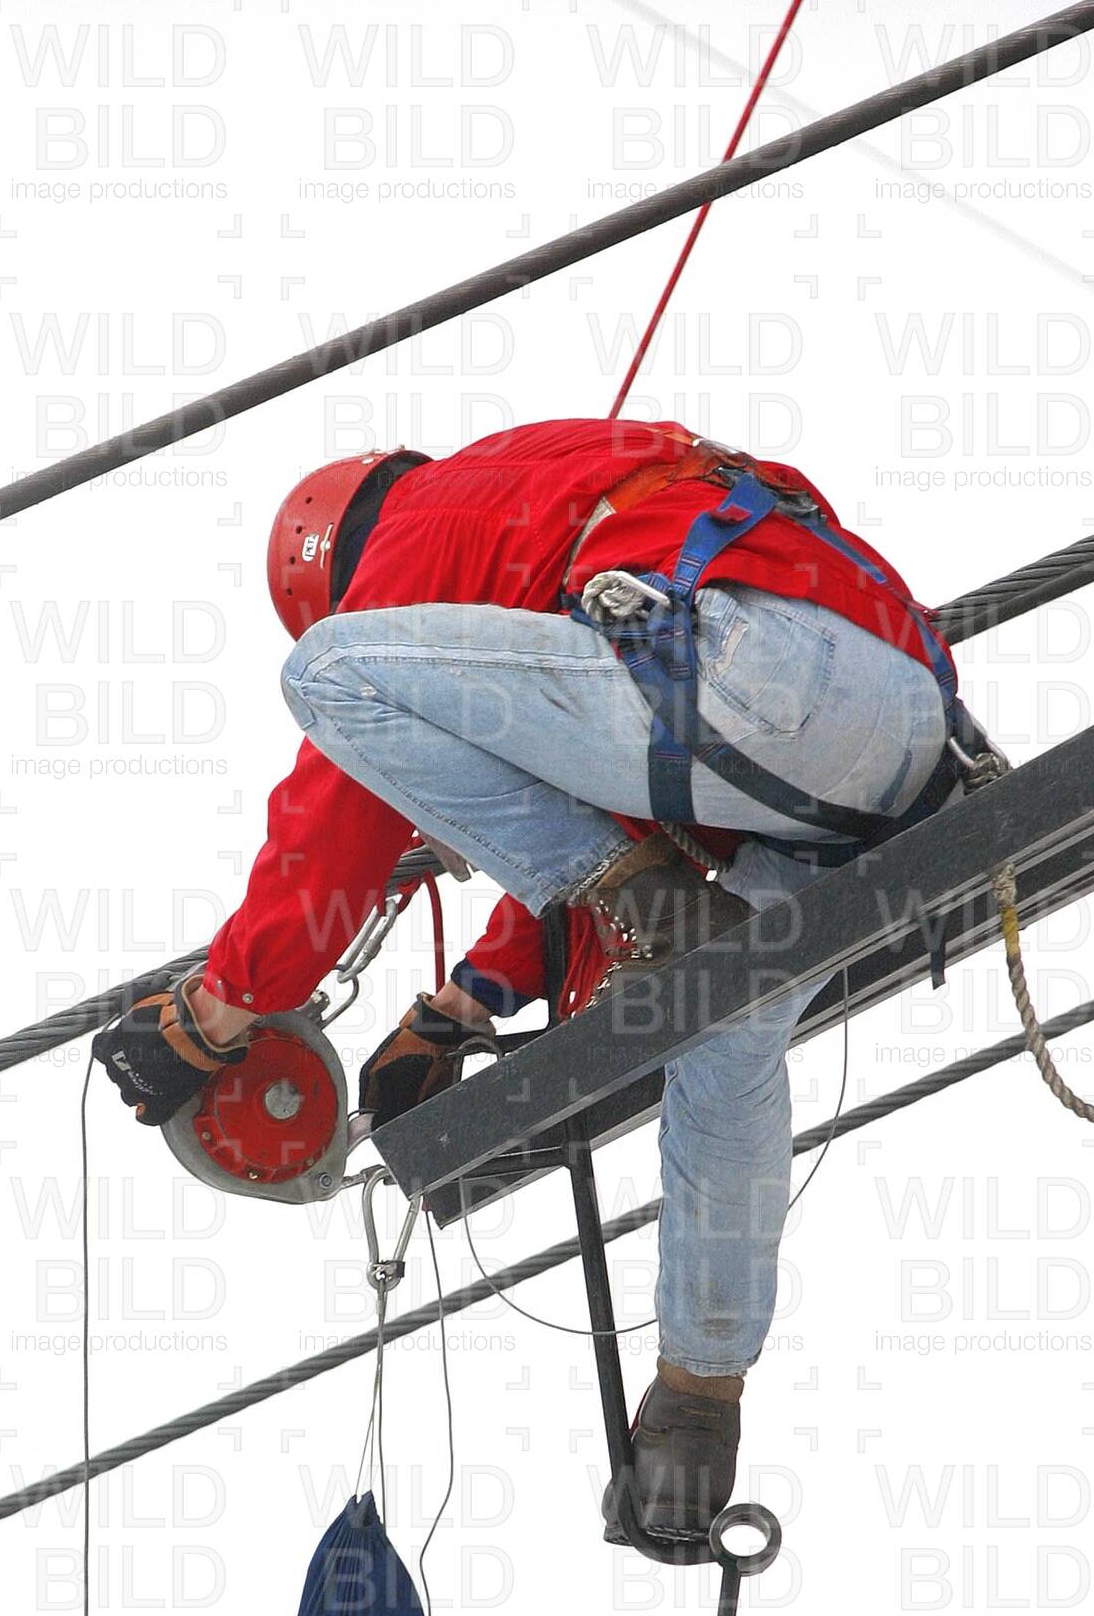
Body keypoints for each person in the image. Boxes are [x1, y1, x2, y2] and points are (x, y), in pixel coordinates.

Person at [95, 418, 979, 1554]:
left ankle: (700, 1390)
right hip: (893, 738)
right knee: (718, 1019)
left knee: (329, 678)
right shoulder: (566, 496)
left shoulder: (416, 529)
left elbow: (337, 818)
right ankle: (696, 1406)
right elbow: (616, 820)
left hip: (750, 682)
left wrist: (217, 1008)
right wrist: (460, 1006)